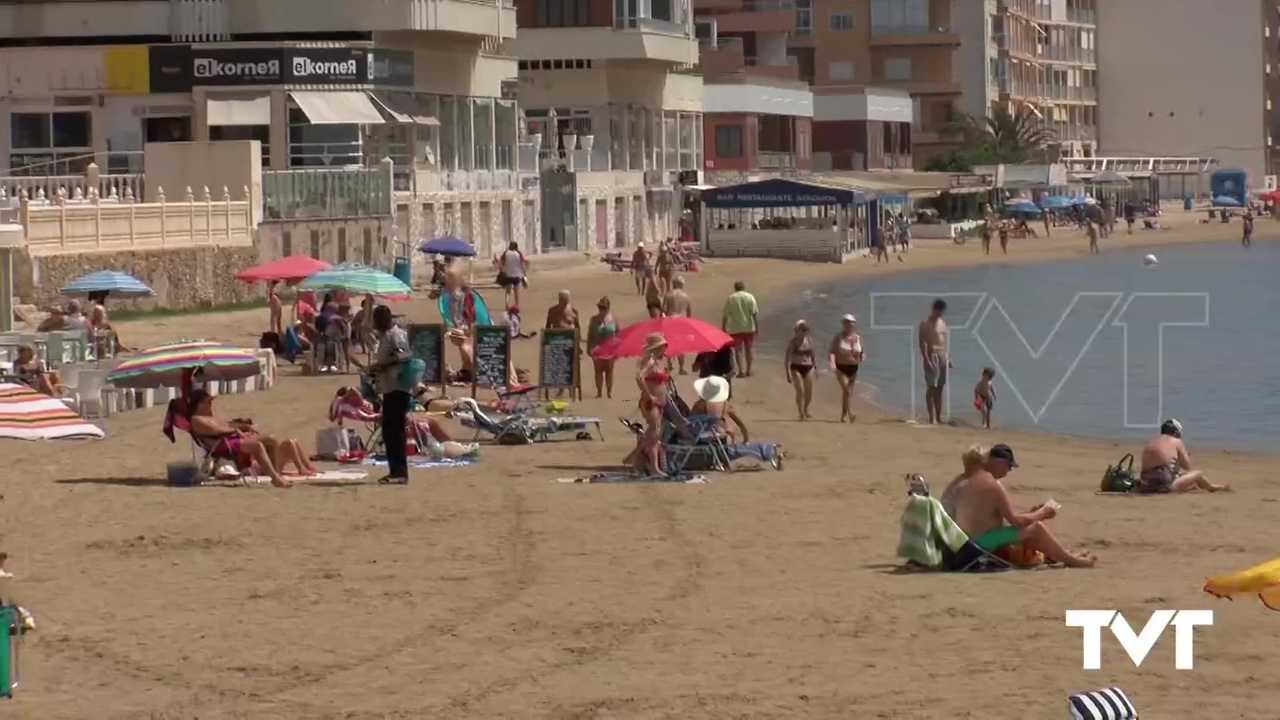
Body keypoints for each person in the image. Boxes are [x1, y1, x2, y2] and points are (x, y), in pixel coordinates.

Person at [948, 443, 1097, 568]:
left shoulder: (963, 481)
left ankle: (1066, 554)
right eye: (1009, 467)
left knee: (1027, 529)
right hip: (979, 543)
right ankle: (1073, 560)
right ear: (996, 461)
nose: (1009, 471)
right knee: (1035, 528)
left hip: (964, 542)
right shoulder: (990, 484)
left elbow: (995, 517)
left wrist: (1031, 514)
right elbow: (1014, 520)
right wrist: (1042, 513)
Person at [185, 388, 313, 488]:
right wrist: (235, 430)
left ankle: (275, 471)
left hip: (229, 441)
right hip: (222, 446)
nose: (210, 404)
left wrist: (242, 426)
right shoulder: (196, 420)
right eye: (208, 402)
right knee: (257, 446)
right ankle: (275, 479)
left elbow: (226, 425)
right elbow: (216, 430)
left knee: (271, 440)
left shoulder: (209, 417)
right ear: (199, 404)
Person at [368, 305, 412, 485]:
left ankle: (400, 472)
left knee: (396, 432)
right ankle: (395, 471)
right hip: (388, 387)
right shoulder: (385, 336)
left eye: (376, 320)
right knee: (388, 432)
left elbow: (406, 355)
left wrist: (384, 366)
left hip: (398, 388)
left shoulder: (396, 335)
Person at [1137, 419, 1229, 493]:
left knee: (1180, 477)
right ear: (1177, 432)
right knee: (1197, 474)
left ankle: (1192, 486)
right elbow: (1188, 467)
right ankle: (1211, 487)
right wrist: (1188, 457)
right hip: (1164, 484)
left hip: (1145, 484)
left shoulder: (1153, 441)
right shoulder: (1176, 441)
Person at [635, 333, 671, 474]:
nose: (665, 348)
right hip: (651, 401)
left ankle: (638, 462)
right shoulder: (649, 361)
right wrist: (648, 395)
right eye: (664, 346)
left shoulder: (658, 361)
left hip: (659, 400)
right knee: (653, 434)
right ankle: (653, 467)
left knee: (654, 434)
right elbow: (639, 377)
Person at [918, 299, 950, 424]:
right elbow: (922, 344)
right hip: (931, 354)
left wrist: (947, 358)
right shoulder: (924, 323)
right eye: (939, 311)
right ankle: (931, 417)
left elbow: (943, 341)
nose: (941, 314)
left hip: (942, 355)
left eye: (942, 312)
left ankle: (939, 416)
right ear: (934, 309)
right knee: (931, 388)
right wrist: (926, 359)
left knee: (940, 388)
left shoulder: (941, 322)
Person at [690, 375, 749, 442]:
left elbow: (691, 420)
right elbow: (739, 422)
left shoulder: (699, 405)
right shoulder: (726, 405)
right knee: (730, 427)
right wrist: (746, 437)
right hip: (721, 436)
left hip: (702, 436)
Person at [828, 314, 864, 423]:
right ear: (843, 324)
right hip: (840, 367)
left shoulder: (858, 338)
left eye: (850, 322)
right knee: (847, 390)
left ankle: (843, 416)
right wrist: (832, 363)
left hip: (854, 368)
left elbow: (862, 351)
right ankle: (850, 412)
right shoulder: (838, 337)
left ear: (854, 324)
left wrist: (862, 356)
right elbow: (832, 352)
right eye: (846, 322)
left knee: (847, 393)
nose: (848, 324)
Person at [721, 280, 758, 377]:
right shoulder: (750, 297)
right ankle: (749, 370)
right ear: (744, 288)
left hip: (735, 328)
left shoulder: (731, 298)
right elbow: (754, 314)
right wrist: (757, 327)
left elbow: (726, 315)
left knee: (738, 350)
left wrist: (723, 328)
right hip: (749, 327)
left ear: (735, 288)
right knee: (749, 350)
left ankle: (741, 371)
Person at [586, 296, 618, 398]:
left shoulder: (614, 320)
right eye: (600, 307)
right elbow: (590, 335)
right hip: (597, 348)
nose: (602, 310)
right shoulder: (594, 320)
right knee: (598, 371)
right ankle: (599, 392)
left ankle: (609, 392)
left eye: (604, 308)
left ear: (608, 308)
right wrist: (589, 347)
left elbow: (619, 334)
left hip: (610, 349)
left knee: (609, 371)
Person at [783, 319, 816, 420]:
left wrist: (816, 367)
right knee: (800, 391)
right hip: (796, 367)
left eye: (805, 330)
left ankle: (806, 408)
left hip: (809, 367)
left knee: (809, 393)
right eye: (801, 330)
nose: (803, 333)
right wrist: (788, 373)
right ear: (797, 331)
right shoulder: (793, 343)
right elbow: (787, 359)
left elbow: (812, 355)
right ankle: (801, 412)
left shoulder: (809, 340)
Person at [662, 276, 693, 374]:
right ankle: (682, 367)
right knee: (680, 345)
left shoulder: (669, 295)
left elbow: (663, 310)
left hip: (670, 319)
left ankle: (669, 365)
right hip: (681, 321)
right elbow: (689, 313)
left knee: (668, 344)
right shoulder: (686, 296)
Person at [496, 240, 528, 307]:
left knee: (508, 292)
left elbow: (500, 263)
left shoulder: (506, 253)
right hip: (517, 276)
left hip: (508, 275)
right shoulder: (519, 254)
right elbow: (522, 265)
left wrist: (501, 269)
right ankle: (516, 305)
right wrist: (524, 274)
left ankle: (507, 304)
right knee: (516, 292)